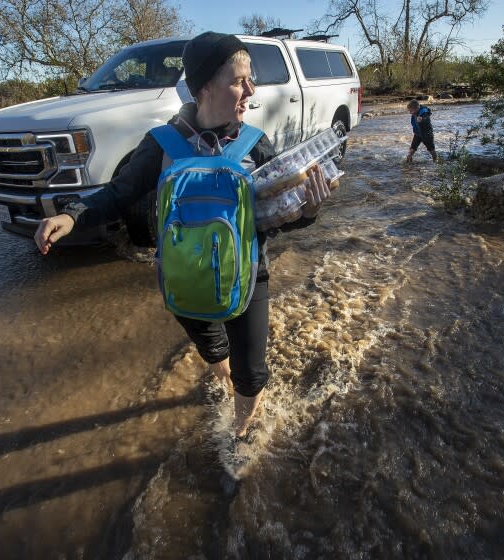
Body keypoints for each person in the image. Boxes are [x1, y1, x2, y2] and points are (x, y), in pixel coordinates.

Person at [33, 31, 331, 443]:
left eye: (249, 79)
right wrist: (71, 216)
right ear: (204, 87)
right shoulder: (161, 144)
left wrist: (307, 211)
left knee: (253, 372)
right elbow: (119, 193)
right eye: (239, 80)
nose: (251, 90)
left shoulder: (254, 145)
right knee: (213, 349)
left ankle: (241, 432)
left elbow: (276, 215)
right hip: (181, 274)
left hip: (247, 271)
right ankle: (222, 379)